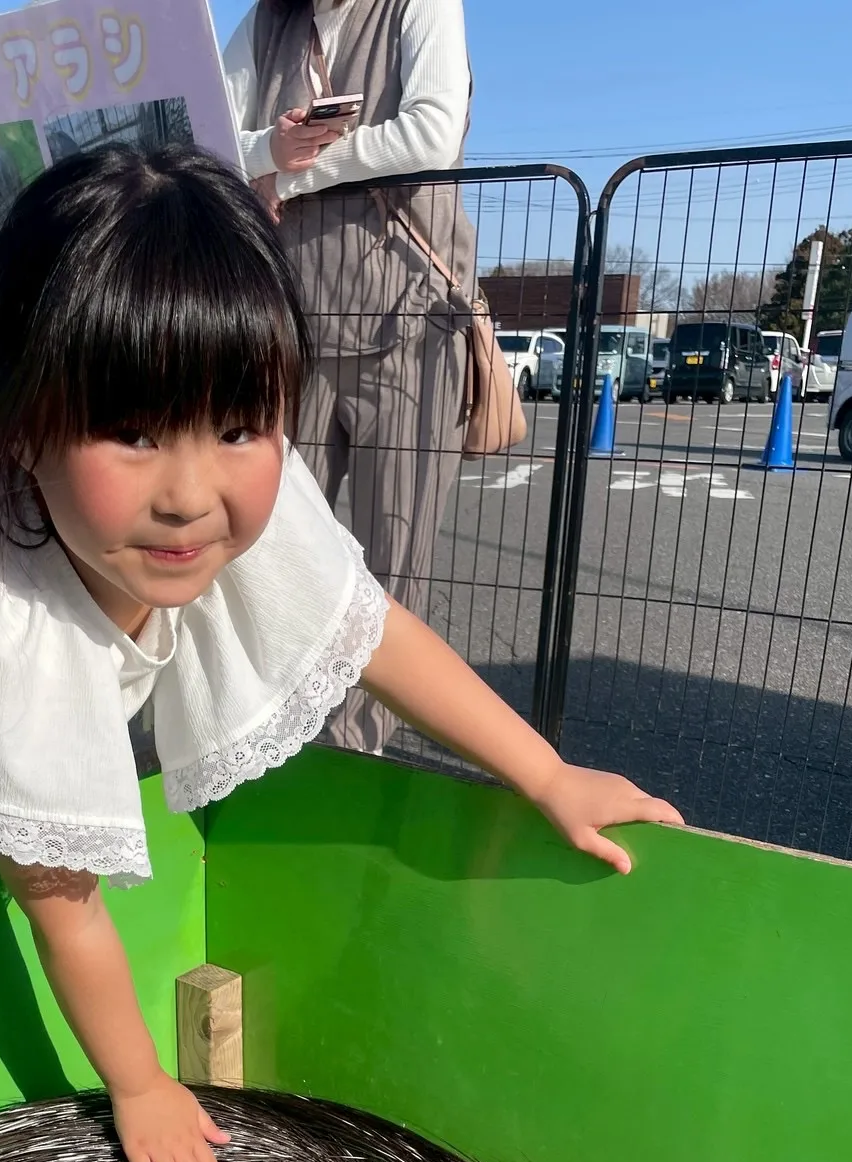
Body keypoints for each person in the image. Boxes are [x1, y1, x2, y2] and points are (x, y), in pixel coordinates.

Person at [0, 145, 679, 1162]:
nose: (189, 495)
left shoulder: (238, 479)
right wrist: (141, 1086)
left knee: (43, 748)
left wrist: (545, 775)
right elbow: (58, 899)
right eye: (129, 433)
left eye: (237, 427)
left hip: (31, 551)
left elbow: (374, 634)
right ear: (25, 428)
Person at [223, 0, 522, 756]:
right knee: (276, 554)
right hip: (292, 330)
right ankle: (276, 749)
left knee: (392, 568)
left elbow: (434, 131)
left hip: (414, 326)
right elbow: (208, 135)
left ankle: (358, 758)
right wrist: (268, 144)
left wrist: (291, 170)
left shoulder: (420, 5)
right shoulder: (264, 23)